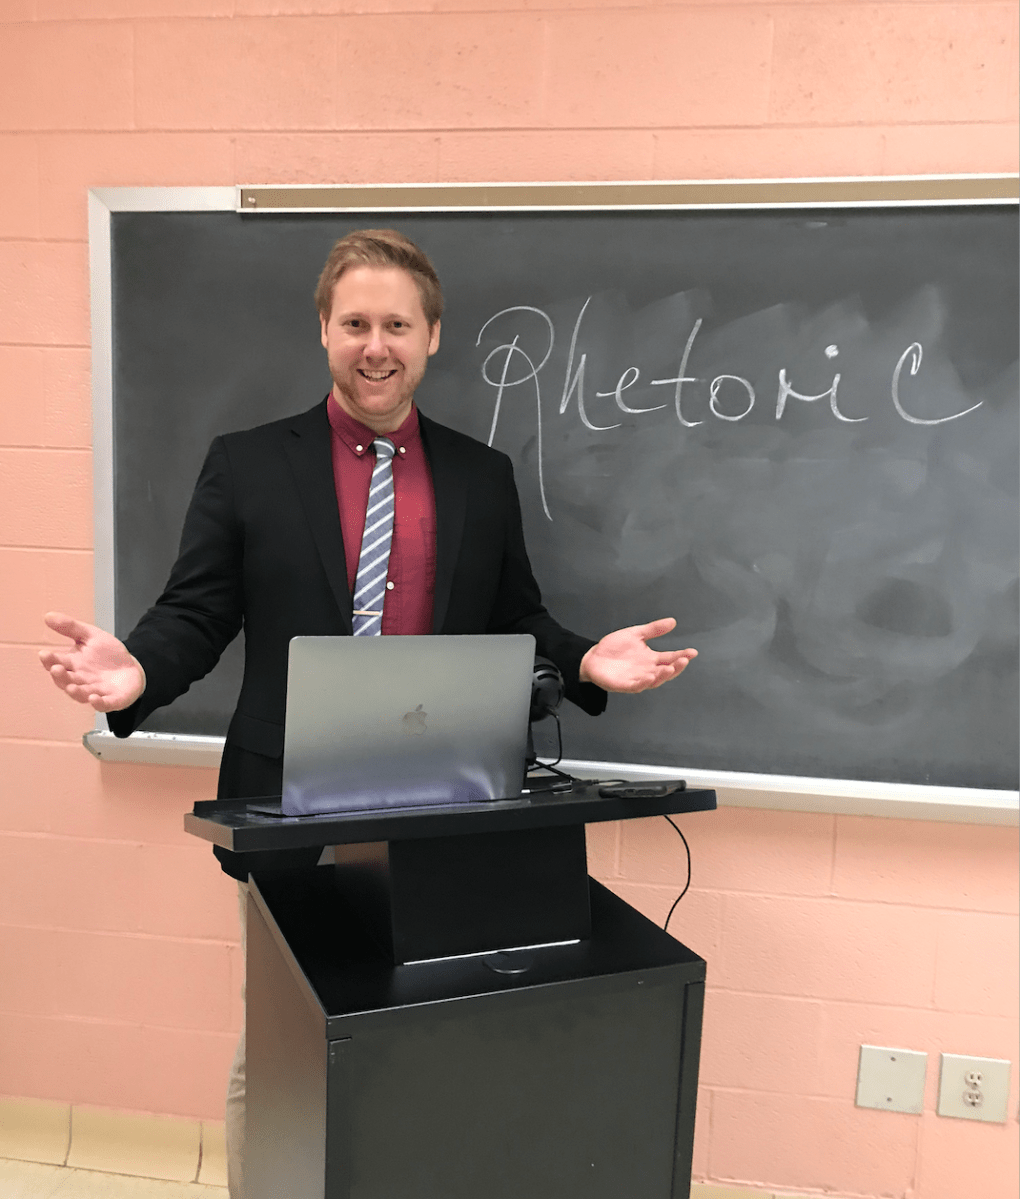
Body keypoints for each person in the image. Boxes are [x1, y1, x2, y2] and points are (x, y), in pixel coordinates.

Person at [39, 229, 697, 1197]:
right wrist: (138, 672)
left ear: (433, 336)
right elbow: (197, 612)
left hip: (447, 807)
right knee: (283, 1041)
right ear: (324, 330)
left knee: (430, 1035)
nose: (375, 345)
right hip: (290, 805)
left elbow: (515, 616)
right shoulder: (249, 464)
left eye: (396, 324)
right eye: (355, 323)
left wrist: (585, 657)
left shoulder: (479, 475)